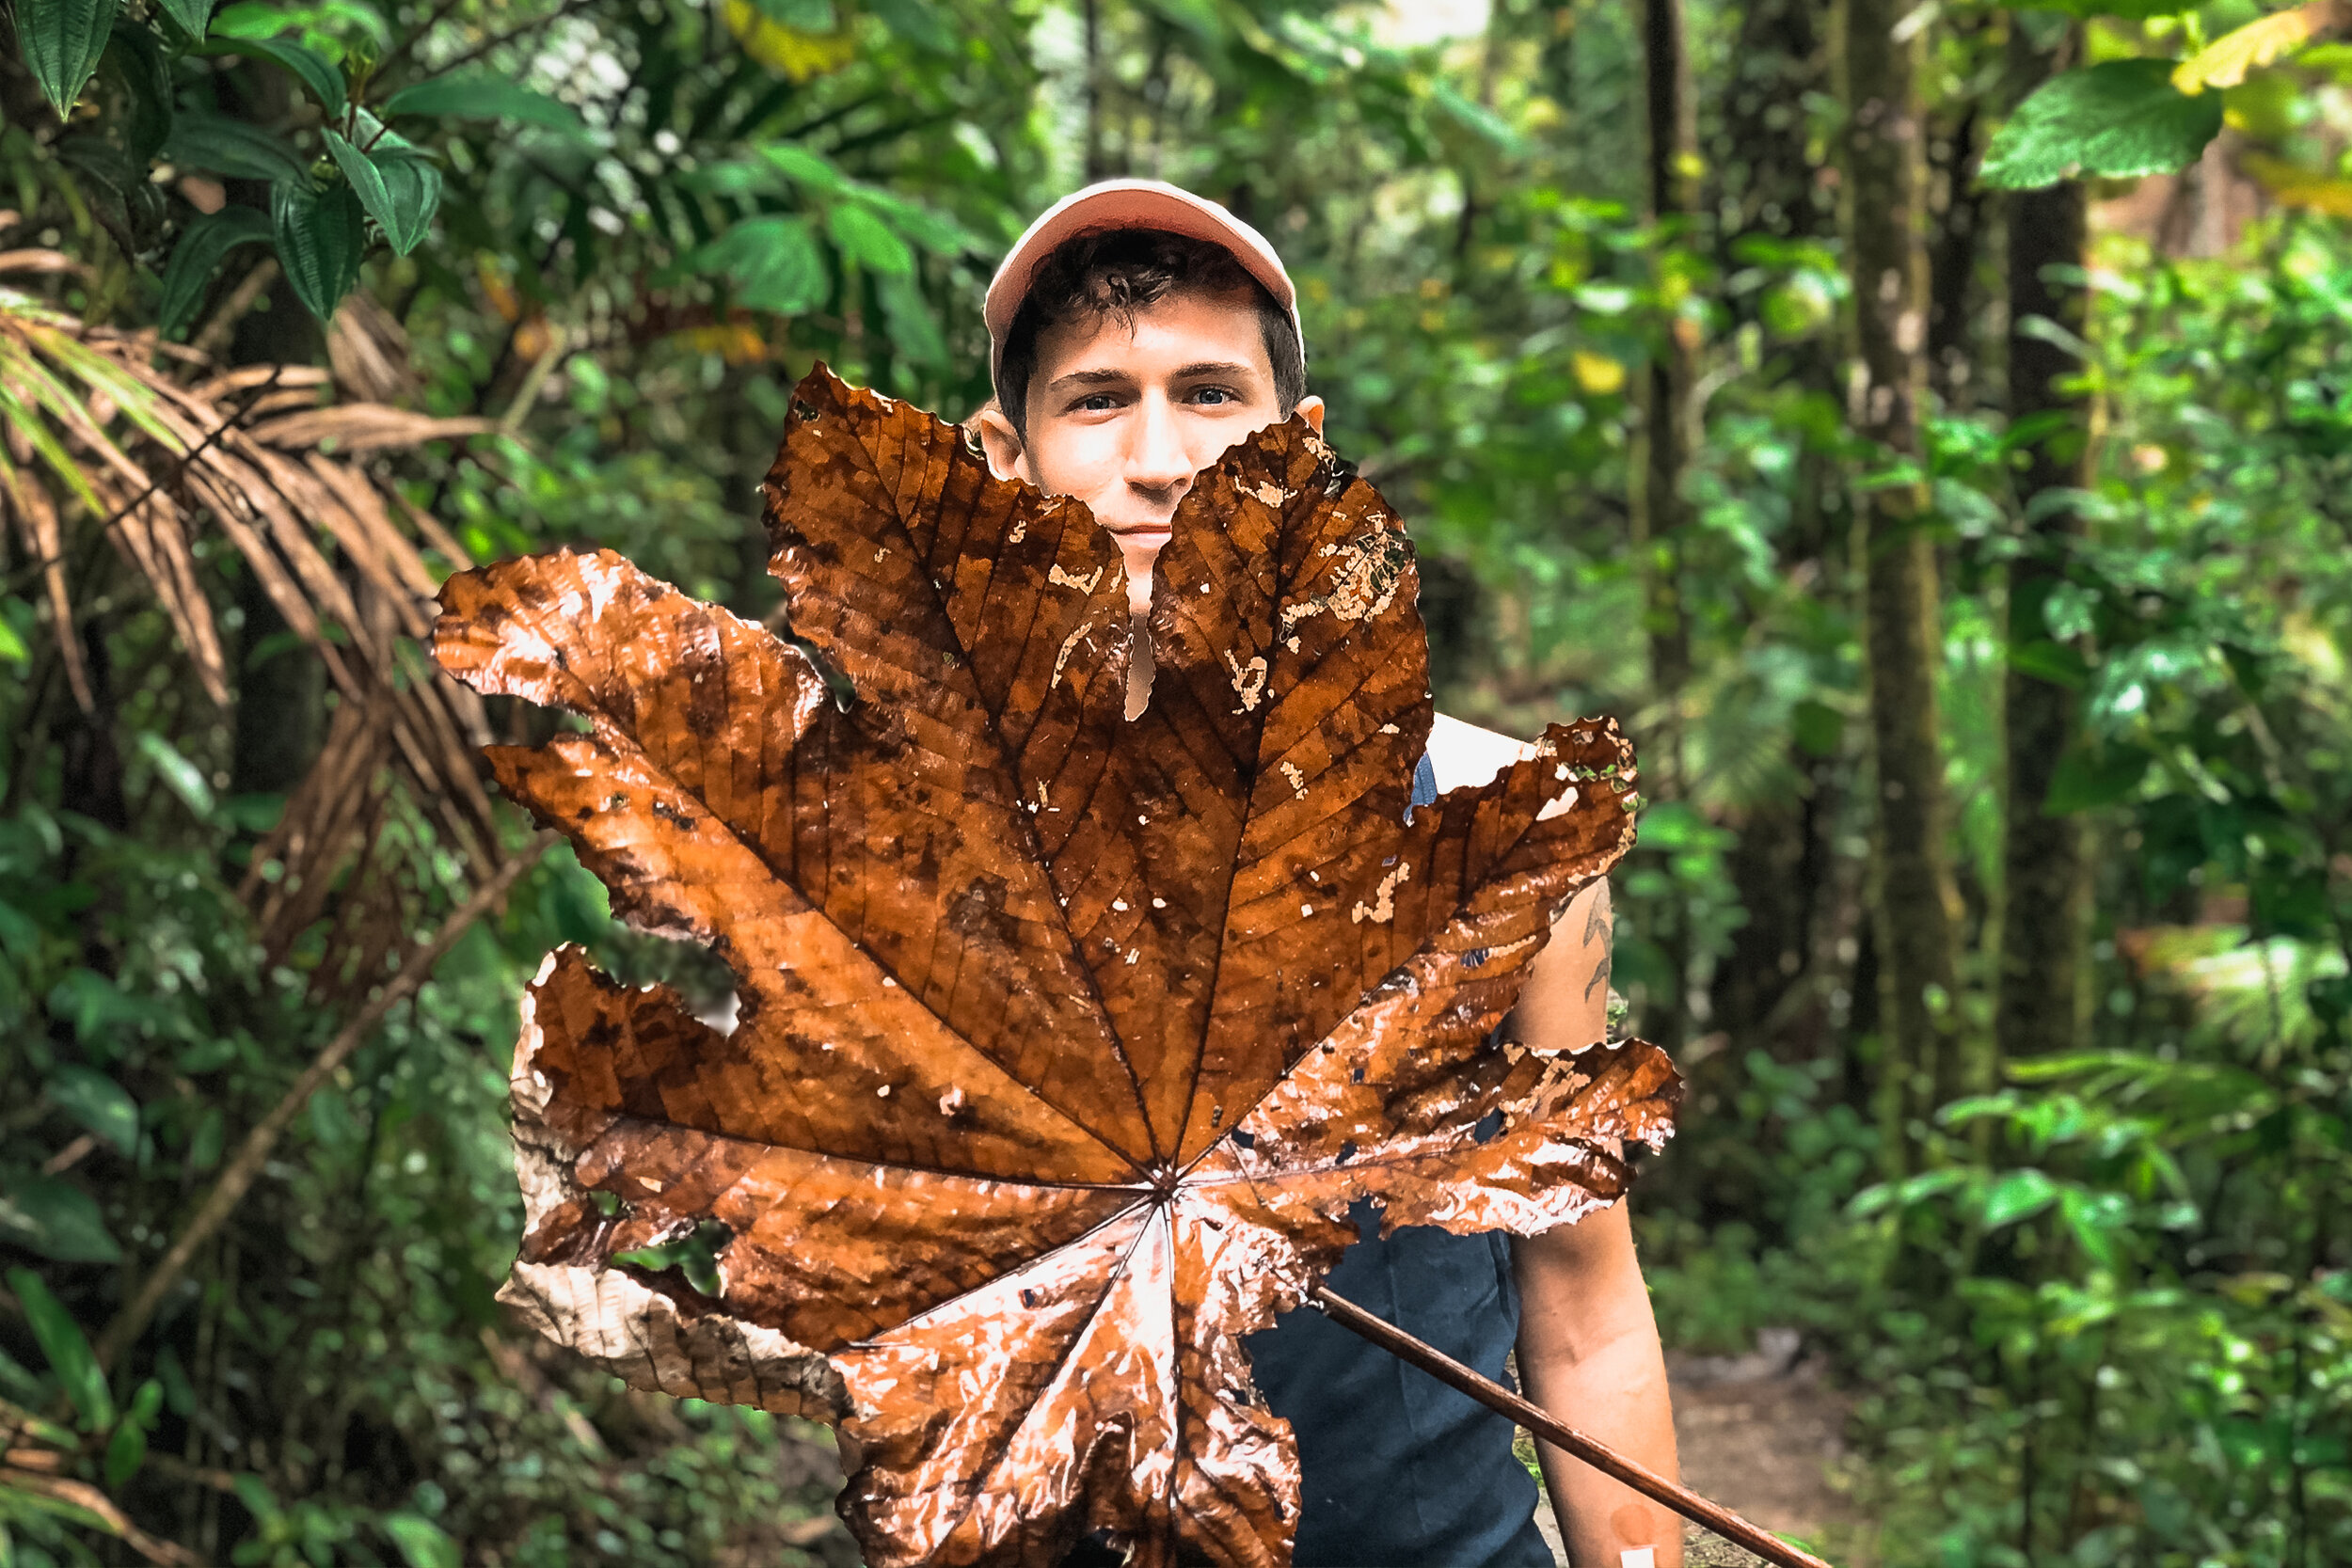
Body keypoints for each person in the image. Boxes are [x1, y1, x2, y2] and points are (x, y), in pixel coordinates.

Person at [971, 181, 1684, 1568]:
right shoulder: (920, 848)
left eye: (1212, 395)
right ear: (1007, 458)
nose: (1161, 457)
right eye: (1099, 400)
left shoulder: (1487, 818)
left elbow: (1583, 1301)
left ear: (1295, 446)